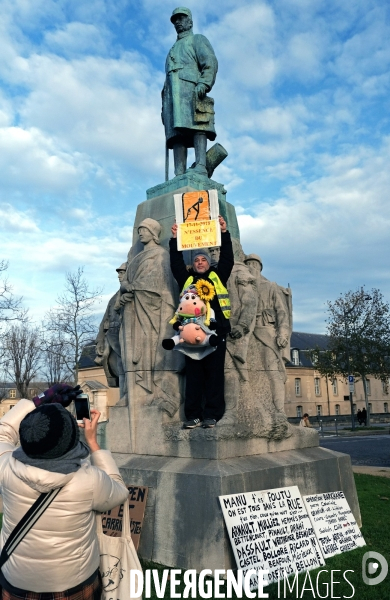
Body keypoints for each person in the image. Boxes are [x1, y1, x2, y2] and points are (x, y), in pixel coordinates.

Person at [0, 384, 129, 598]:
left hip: (16, 582)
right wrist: (93, 444)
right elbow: (119, 492)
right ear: (71, 440)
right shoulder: (89, 480)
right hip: (71, 585)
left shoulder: (5, 467)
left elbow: (3, 431)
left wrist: (38, 401)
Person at [169, 216, 234, 428]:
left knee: (214, 375)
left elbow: (228, 260)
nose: (199, 262)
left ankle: (211, 415)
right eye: (196, 260)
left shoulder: (218, 276)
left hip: (215, 333)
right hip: (191, 336)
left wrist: (224, 233)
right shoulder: (187, 280)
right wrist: (174, 239)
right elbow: (175, 263)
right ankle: (193, 416)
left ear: (208, 263)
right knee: (194, 376)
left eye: (203, 260)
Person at [162, 7, 218, 176]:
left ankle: (201, 165)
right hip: (172, 97)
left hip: (192, 91)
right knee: (177, 134)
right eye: (175, 20)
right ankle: (179, 172)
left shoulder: (197, 40)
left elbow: (210, 63)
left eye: (181, 18)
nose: (178, 22)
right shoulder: (172, 49)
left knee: (197, 126)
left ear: (190, 21)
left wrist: (204, 83)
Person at [95, 263, 127, 399]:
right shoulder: (114, 298)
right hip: (112, 336)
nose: (119, 276)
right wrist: (100, 340)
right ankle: (124, 396)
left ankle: (126, 396)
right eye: (118, 273)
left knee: (125, 366)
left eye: (122, 273)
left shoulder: (131, 293)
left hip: (124, 336)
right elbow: (104, 322)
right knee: (119, 368)